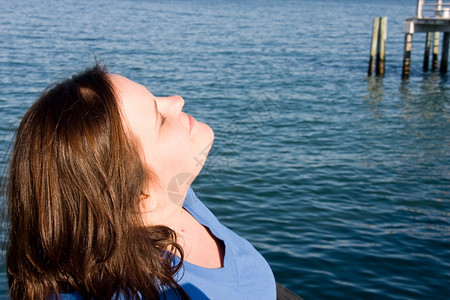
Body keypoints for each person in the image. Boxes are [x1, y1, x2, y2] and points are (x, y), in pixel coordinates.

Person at [6, 64, 276, 299]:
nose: (178, 100)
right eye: (160, 120)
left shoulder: (175, 199)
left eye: (155, 98)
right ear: (139, 198)